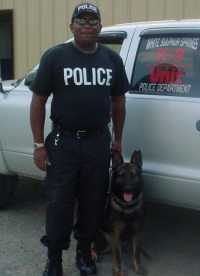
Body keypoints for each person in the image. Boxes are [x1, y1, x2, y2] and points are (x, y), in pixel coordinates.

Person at [30, 3, 129, 276]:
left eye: (92, 21)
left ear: (100, 26)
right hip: (64, 143)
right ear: (71, 26)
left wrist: (117, 140)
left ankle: (85, 254)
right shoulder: (55, 57)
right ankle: (54, 260)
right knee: (58, 204)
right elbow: (38, 102)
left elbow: (119, 103)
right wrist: (39, 145)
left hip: (98, 143)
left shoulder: (112, 61)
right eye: (81, 21)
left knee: (93, 202)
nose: (86, 26)